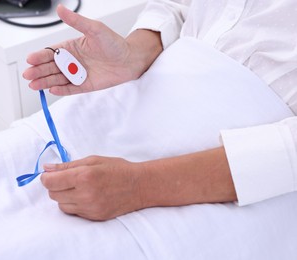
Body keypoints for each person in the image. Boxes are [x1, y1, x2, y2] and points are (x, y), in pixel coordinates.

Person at [22, 1, 297, 221]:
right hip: (137, 97)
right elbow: (182, 5)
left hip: (237, 174)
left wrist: (139, 187)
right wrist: (134, 53)